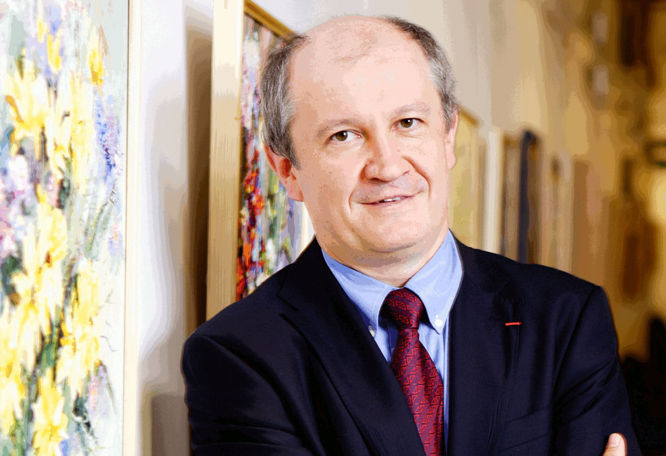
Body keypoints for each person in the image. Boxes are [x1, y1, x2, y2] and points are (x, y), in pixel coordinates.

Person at [182, 14, 640, 456]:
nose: (387, 166)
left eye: (407, 123)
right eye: (343, 135)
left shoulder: (565, 319)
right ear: (288, 171)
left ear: (448, 137)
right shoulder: (239, 355)